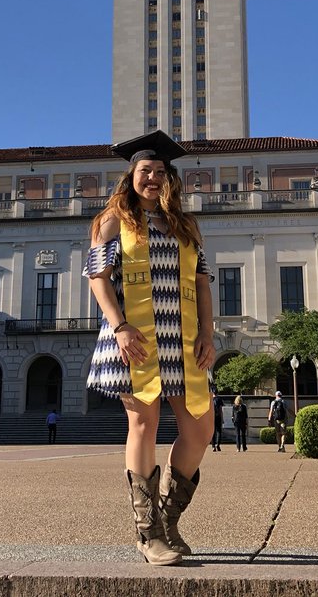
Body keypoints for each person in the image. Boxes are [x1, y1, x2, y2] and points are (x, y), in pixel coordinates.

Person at [85, 130, 216, 566]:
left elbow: (201, 282)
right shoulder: (111, 221)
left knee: (200, 429)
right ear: (131, 175)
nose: (153, 178)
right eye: (146, 171)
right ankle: (148, 534)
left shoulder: (185, 225)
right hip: (135, 336)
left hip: (183, 339)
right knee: (143, 424)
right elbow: (98, 279)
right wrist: (119, 325)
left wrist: (208, 334)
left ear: (170, 179)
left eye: (161, 171)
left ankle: (167, 517)